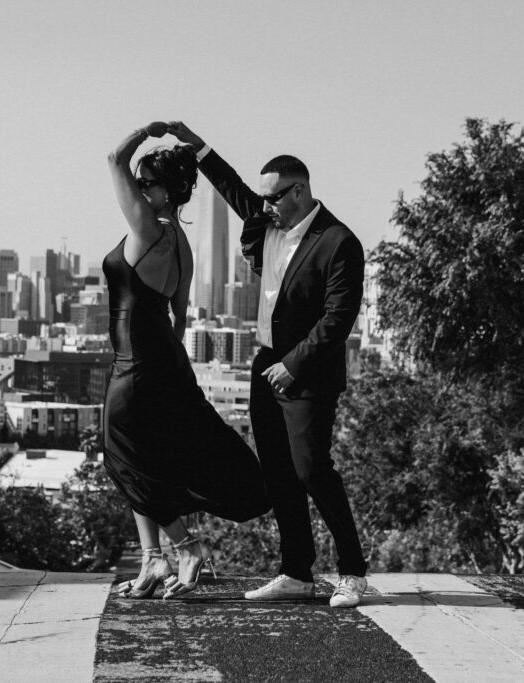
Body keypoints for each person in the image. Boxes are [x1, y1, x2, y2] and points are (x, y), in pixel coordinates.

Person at [167, 121, 369, 608]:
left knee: (312, 469)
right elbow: (233, 185)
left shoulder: (338, 242)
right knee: (278, 474)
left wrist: (293, 365)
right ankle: (297, 573)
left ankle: (354, 573)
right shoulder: (268, 221)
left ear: (299, 192)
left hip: (308, 374)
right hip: (264, 364)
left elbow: (338, 318)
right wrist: (197, 146)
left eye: (275, 197)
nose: (266, 205)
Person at [103, 122, 269, 599]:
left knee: (122, 455)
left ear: (164, 191)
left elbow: (113, 160)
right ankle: (153, 560)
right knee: (143, 458)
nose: (137, 189)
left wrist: (144, 132)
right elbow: (180, 313)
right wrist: (166, 363)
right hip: (161, 361)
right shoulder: (180, 243)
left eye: (145, 183)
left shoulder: (148, 230)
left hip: (136, 365)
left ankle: (185, 546)